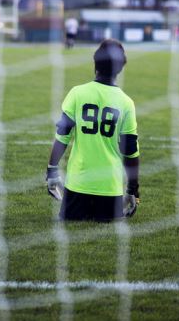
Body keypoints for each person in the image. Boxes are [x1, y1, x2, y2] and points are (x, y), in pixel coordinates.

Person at [46, 39, 140, 222]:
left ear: (95, 63)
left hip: (77, 186)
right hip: (110, 190)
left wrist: (52, 171)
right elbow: (130, 152)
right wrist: (132, 190)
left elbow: (63, 136)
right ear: (121, 68)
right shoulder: (126, 102)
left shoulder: (77, 93)